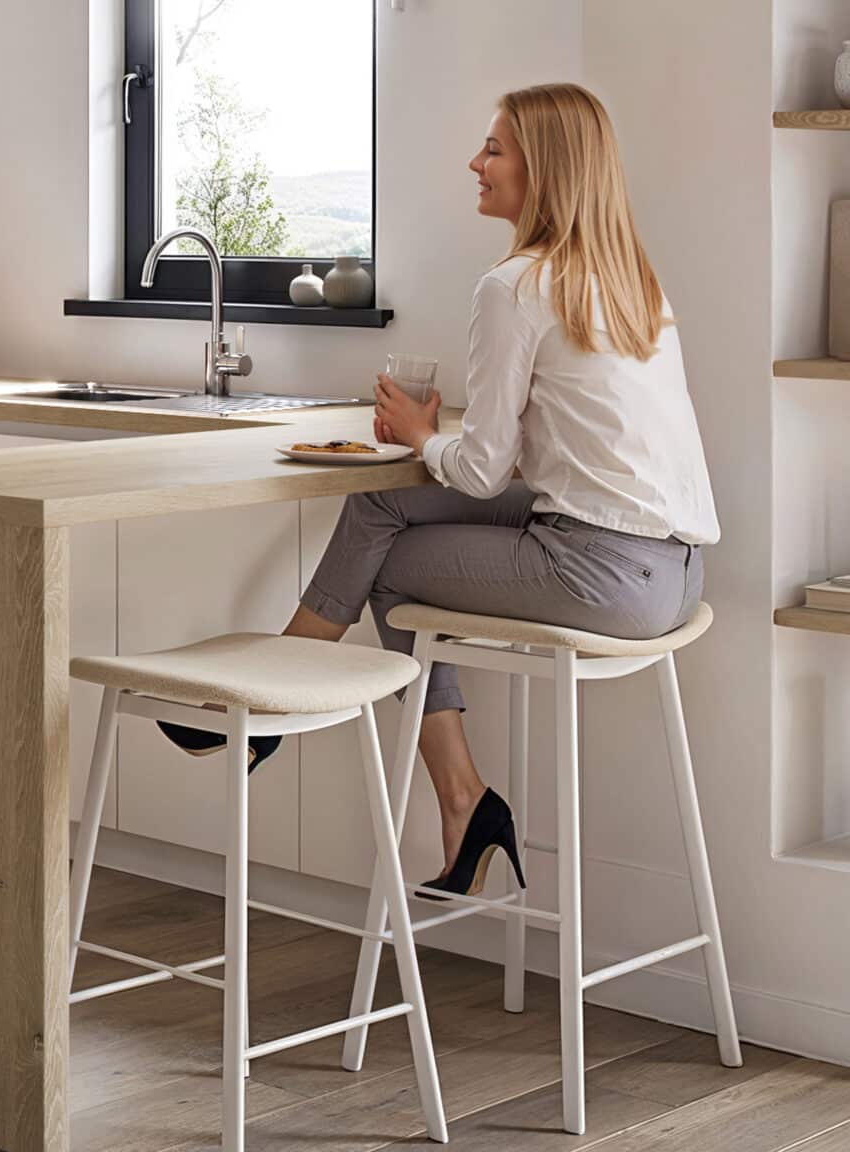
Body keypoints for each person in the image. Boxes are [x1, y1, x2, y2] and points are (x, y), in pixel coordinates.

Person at [166, 81, 720, 897]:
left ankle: (285, 704)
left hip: (600, 572)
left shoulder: (515, 287)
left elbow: (489, 471)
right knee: (380, 506)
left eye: (494, 148)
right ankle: (452, 798)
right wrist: (437, 443)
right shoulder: (630, 283)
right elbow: (562, 450)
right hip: (673, 576)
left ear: (545, 168)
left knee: (389, 564)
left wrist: (425, 436)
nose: (476, 162)